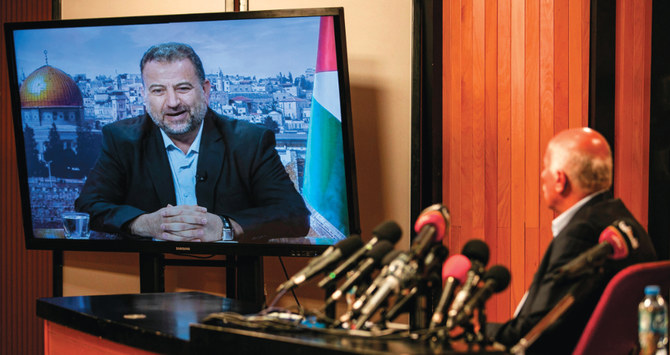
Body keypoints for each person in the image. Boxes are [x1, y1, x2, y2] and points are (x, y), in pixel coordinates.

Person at [75, 42, 310, 242]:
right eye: (158, 91)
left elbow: (294, 216)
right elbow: (88, 207)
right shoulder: (121, 139)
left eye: (183, 88)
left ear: (205, 91)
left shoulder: (250, 141)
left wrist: (225, 227)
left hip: (237, 273)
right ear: (144, 96)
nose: (173, 102)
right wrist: (143, 223)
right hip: (145, 273)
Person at [486, 128, 657, 354]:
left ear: (560, 180)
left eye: (546, 166)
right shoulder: (625, 221)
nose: (541, 174)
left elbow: (535, 334)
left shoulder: (582, 234)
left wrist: (479, 332)